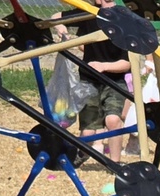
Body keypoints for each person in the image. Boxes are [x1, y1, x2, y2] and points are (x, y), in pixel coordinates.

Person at [54, 0, 130, 164]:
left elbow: (127, 64)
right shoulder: (89, 14)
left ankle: (114, 164)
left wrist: (103, 66)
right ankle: (81, 155)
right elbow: (56, 17)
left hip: (114, 81)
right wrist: (62, 29)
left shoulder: (125, 21)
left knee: (113, 120)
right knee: (88, 131)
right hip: (89, 81)